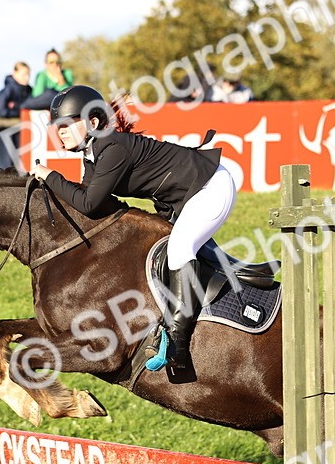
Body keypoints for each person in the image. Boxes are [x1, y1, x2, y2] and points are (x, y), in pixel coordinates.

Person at [29, 86, 235, 373]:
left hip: (210, 188)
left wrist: (51, 176)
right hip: (181, 199)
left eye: (67, 124)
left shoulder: (114, 149)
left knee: (178, 250)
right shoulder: (93, 155)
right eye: (57, 127)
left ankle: (179, 345)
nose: (60, 132)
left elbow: (88, 204)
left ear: (93, 123)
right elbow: (94, 206)